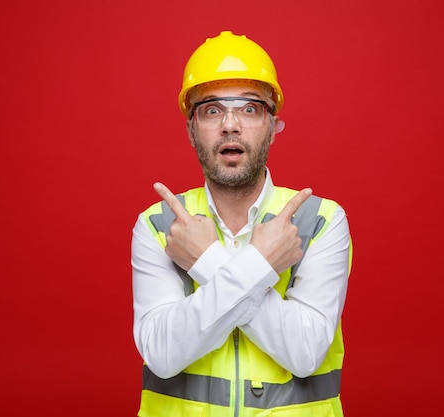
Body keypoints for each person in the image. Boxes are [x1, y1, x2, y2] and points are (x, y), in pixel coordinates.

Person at [131, 31, 352, 417]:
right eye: (212, 110)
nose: (230, 125)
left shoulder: (321, 221)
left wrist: (207, 260)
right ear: (191, 129)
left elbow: (305, 354)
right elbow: (163, 356)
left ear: (272, 125)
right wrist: (259, 266)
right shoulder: (158, 224)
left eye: (250, 109)